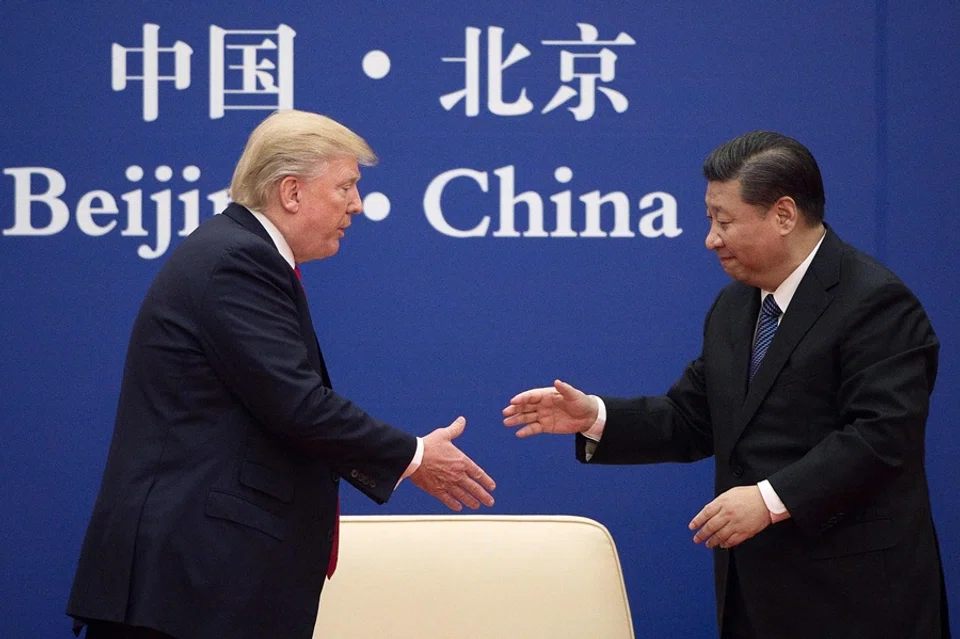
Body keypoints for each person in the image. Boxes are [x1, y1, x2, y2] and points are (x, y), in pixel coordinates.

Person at [67, 109, 496, 639]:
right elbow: (297, 405)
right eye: (346, 186)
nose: (357, 205)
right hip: (187, 586)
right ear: (291, 192)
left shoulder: (238, 253)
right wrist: (413, 456)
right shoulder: (236, 260)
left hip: (200, 585)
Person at [503, 131, 950, 638]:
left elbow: (882, 437)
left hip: (856, 600)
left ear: (783, 215)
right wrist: (597, 417)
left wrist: (769, 498)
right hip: (755, 596)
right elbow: (694, 417)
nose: (710, 239)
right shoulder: (736, 306)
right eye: (709, 220)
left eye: (724, 221)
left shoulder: (875, 303)